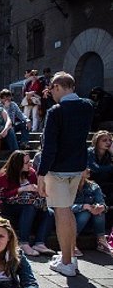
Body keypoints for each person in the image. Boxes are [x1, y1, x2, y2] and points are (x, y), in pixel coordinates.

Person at [37, 71, 94, 277]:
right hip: (77, 166)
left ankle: (67, 263)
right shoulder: (87, 106)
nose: (49, 92)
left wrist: (41, 174)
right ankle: (68, 255)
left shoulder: (57, 111)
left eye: (51, 88)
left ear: (58, 87)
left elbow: (49, 146)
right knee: (68, 211)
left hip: (58, 168)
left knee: (61, 213)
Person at [0, 150, 55, 257]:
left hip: (29, 202)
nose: (30, 164)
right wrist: (21, 189)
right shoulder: (4, 175)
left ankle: (40, 243)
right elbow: (4, 195)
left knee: (49, 212)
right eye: (27, 162)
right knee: (29, 207)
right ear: (18, 164)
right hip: (9, 204)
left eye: (30, 161)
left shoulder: (31, 173)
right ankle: (24, 242)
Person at [72, 169, 113, 257]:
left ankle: (101, 241)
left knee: (99, 211)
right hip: (72, 221)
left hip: (91, 223)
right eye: (85, 168)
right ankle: (71, 241)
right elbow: (63, 207)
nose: (89, 170)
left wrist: (101, 207)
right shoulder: (68, 186)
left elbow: (102, 203)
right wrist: (83, 207)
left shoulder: (93, 186)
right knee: (85, 213)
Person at [87, 130, 113, 199]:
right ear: (97, 141)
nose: (108, 142)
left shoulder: (109, 153)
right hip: (92, 182)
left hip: (106, 182)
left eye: (110, 140)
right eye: (104, 140)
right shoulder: (90, 152)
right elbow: (95, 168)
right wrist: (110, 167)